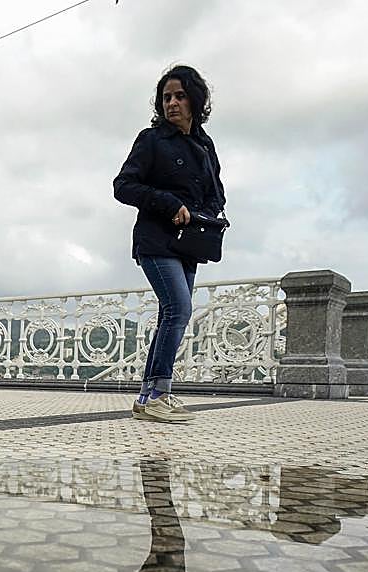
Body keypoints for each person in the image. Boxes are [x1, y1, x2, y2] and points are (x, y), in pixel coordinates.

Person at [114, 65, 226, 423]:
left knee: (172, 312)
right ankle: (160, 393)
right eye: (166, 97)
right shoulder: (151, 140)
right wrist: (170, 204)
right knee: (179, 307)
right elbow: (123, 186)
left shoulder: (205, 145)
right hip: (156, 239)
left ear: (196, 100)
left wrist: (206, 214)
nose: (172, 103)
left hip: (190, 242)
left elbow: (216, 193)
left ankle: (149, 395)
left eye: (179, 96)